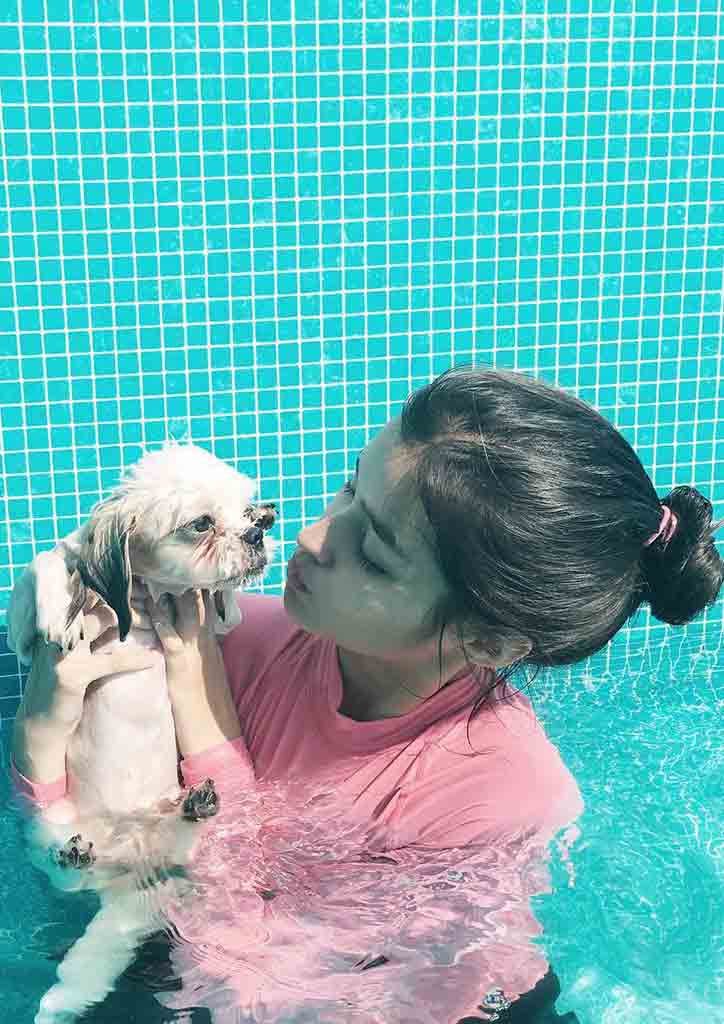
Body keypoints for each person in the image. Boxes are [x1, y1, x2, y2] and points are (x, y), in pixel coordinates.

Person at [10, 365, 723, 1023]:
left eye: (375, 555)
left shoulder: (501, 799)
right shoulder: (232, 634)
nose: (315, 537)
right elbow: (95, 815)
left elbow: (272, 984)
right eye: (350, 487)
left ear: (490, 642)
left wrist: (199, 700)